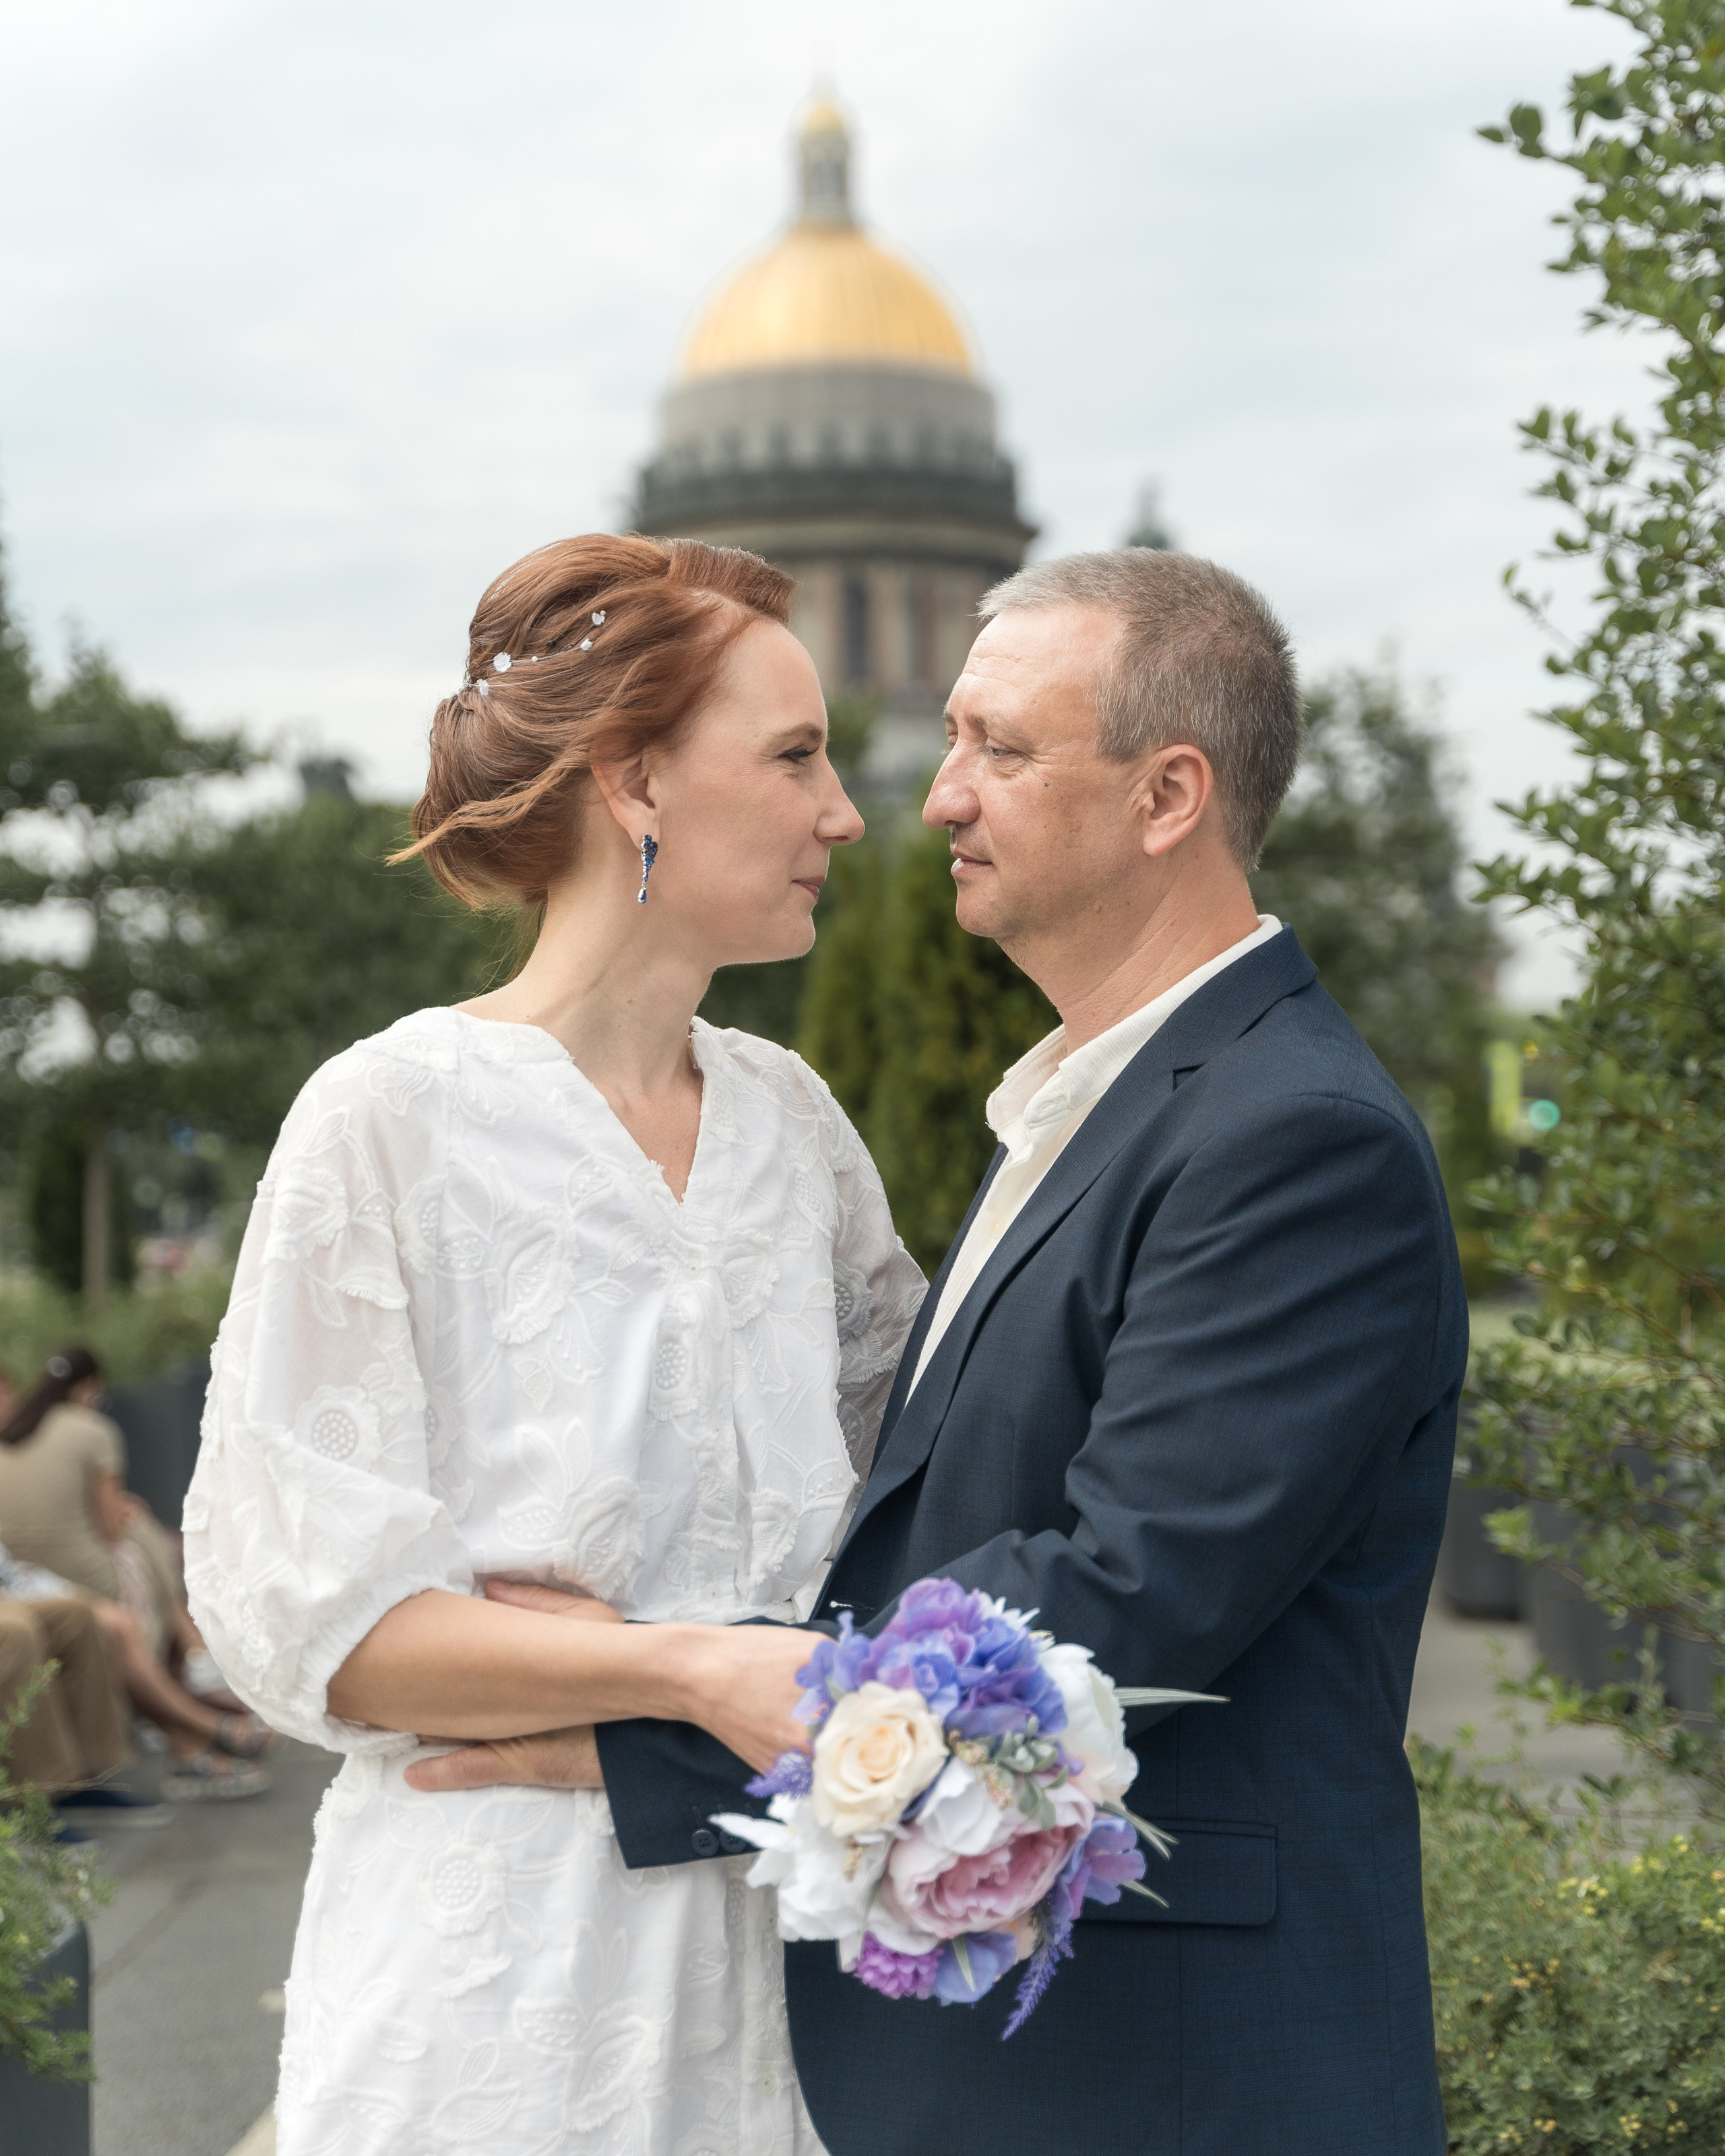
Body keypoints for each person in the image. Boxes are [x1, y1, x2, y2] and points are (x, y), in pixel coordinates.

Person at [425, 548, 1466, 2156]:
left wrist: (651, 1714)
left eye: (1000, 749)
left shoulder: (1290, 1138)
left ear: (1165, 794)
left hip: (1164, 2076)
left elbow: (1116, 1602)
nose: (931, 800)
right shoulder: (1102, 1106)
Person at [182, 534, 926, 2156]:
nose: (842, 813)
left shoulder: (795, 1131)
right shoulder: (387, 1117)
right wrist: (689, 1664)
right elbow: (317, 1627)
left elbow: (932, 1508)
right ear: (633, 776)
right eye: (794, 756)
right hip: (496, 1987)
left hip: (795, 1973)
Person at [0, 1352, 271, 1798]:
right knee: (140, 1553)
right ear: (89, 1388)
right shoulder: (91, 1431)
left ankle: (193, 1709)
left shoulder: (19, 1435)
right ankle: (199, 1718)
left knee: (135, 1563)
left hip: (30, 1577)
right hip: (57, 1575)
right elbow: (107, 1528)